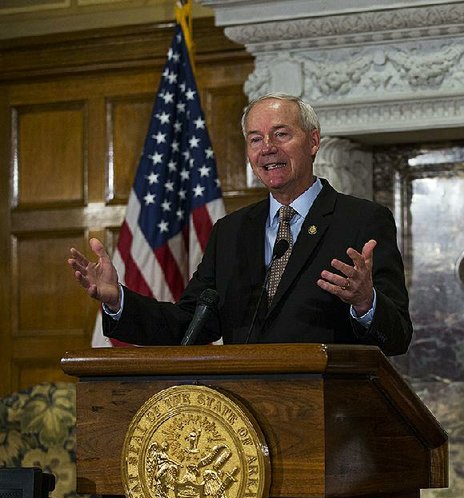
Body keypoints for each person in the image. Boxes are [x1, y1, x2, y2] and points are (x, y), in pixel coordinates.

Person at [68, 93, 412, 356]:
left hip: (328, 416)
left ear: (313, 142)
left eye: (281, 135)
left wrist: (366, 302)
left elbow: (397, 337)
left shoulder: (362, 220)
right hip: (241, 419)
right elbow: (190, 324)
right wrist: (118, 301)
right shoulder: (231, 232)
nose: (268, 149)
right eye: (256, 139)